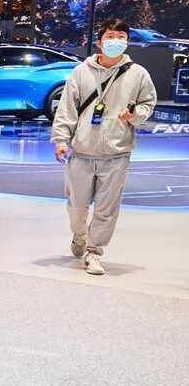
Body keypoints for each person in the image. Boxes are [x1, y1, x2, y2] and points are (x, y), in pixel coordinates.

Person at [50, 17, 158, 276]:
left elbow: (148, 103)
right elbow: (67, 108)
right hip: (82, 151)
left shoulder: (138, 74)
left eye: (122, 37)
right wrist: (61, 140)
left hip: (117, 153)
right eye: (111, 36)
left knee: (107, 209)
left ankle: (94, 252)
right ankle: (79, 236)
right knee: (77, 206)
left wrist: (134, 115)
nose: (116, 41)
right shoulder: (81, 72)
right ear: (99, 42)